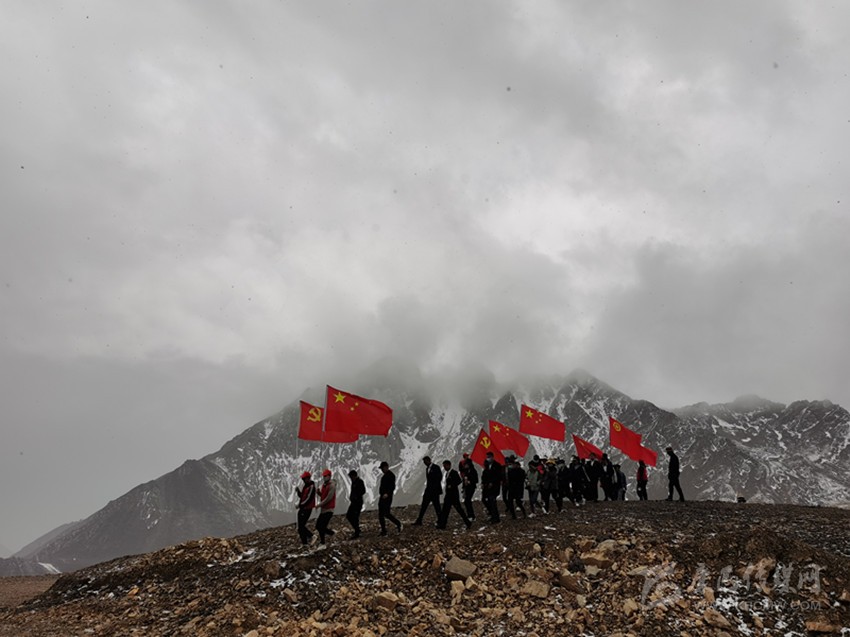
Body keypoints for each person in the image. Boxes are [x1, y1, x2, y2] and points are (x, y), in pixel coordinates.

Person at [437, 460, 472, 529]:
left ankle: (467, 522)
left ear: (449, 465)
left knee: (459, 509)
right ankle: (442, 524)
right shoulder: (447, 474)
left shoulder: (454, 473)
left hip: (453, 495)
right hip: (448, 495)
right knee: (445, 510)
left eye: (445, 466)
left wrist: (452, 485)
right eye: (444, 466)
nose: (445, 467)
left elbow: (459, 481)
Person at [413, 456, 443, 526]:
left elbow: (439, 477)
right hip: (429, 490)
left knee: (437, 506)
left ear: (429, 460)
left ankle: (441, 520)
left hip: (434, 491)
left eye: (425, 461)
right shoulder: (427, 469)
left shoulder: (436, 467)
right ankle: (419, 520)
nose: (425, 463)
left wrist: (434, 487)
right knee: (424, 505)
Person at [378, 461, 402, 536]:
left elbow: (392, 486)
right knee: (381, 514)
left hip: (387, 497)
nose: (382, 470)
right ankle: (384, 531)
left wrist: (387, 493)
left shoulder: (391, 475)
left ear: (386, 467)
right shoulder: (385, 476)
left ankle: (398, 523)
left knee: (386, 513)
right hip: (382, 497)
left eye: (382, 468)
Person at [315, 469, 336, 548]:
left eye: (325, 476)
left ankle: (323, 542)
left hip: (329, 509)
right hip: (324, 509)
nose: (324, 477)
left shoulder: (332, 485)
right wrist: (319, 493)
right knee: (319, 526)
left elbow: (329, 498)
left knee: (321, 526)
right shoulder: (325, 485)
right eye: (323, 476)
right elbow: (324, 496)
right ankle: (331, 534)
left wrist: (319, 505)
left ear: (329, 476)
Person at [294, 471, 316, 545]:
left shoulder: (311, 486)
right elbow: (302, 496)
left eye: (304, 478)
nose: (303, 480)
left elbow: (309, 499)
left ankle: (311, 536)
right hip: (303, 508)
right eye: (303, 479)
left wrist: (300, 505)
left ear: (308, 478)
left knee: (301, 526)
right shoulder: (306, 486)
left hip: (307, 509)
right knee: (300, 527)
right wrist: (298, 492)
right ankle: (305, 543)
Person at [481, 452, 503, 523]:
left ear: (493, 457)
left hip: (494, 487)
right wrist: (483, 483)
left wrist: (492, 482)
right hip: (487, 487)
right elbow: (484, 475)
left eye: (489, 457)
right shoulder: (486, 466)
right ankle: (491, 513)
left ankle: (495, 518)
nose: (488, 458)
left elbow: (498, 476)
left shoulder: (497, 465)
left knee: (492, 501)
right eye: (487, 457)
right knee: (484, 499)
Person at [346, 469, 366, 538]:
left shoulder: (360, 482)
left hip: (358, 503)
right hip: (354, 502)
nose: (350, 478)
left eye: (351, 477)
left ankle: (357, 531)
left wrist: (356, 496)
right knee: (349, 516)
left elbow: (363, 491)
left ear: (354, 476)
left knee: (355, 517)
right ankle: (357, 530)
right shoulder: (354, 482)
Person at [458, 453, 479, 521]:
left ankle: (471, 515)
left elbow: (476, 480)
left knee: (467, 501)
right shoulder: (466, 471)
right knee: (467, 501)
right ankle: (470, 515)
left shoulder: (472, 471)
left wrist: (470, 481)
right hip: (467, 487)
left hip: (471, 487)